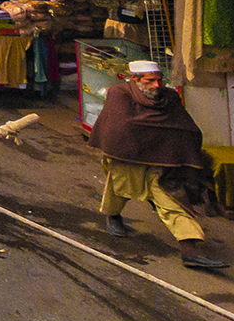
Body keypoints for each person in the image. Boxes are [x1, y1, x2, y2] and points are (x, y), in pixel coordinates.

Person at [89, 60, 226, 269]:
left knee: (172, 200)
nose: (156, 85)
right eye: (150, 81)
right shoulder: (120, 93)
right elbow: (123, 125)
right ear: (134, 79)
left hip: (164, 160)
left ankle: (189, 250)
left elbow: (183, 126)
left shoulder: (169, 97)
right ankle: (112, 216)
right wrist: (160, 134)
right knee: (119, 188)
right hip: (128, 156)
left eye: (159, 80)